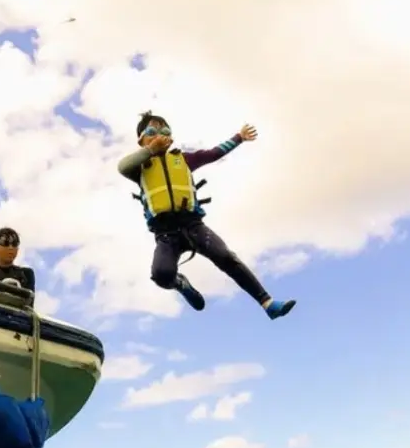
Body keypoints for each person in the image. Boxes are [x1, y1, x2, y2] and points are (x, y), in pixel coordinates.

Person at [117, 111, 296, 319]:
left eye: (164, 131)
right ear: (141, 140)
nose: (159, 135)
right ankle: (180, 283)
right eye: (151, 131)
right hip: (166, 234)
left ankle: (268, 303)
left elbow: (214, 153)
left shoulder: (183, 160)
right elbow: (122, 166)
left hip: (193, 225)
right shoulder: (139, 168)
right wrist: (151, 150)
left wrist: (239, 137)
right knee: (161, 274)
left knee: (225, 256)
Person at [0, 227, 36, 293]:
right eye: (5, 243)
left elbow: (29, 300)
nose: (10, 248)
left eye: (14, 244)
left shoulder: (26, 274)